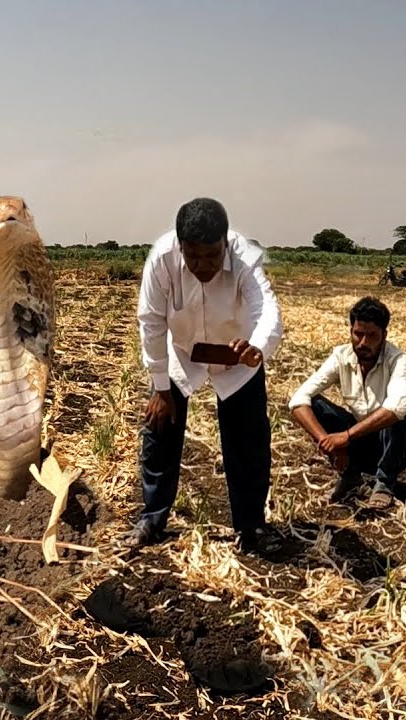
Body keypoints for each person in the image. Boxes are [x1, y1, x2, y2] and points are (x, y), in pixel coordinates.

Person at [127, 198, 284, 554]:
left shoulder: (245, 258)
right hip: (182, 351)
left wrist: (257, 347)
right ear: (180, 246)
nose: (203, 266)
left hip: (238, 358)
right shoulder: (162, 258)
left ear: (225, 243)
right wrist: (160, 388)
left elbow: (267, 308)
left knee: (249, 442)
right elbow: (150, 321)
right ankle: (152, 518)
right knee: (159, 431)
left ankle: (251, 526)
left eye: (212, 256)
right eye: (193, 256)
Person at [289, 296, 406, 510]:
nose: (363, 343)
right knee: (314, 404)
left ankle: (384, 483)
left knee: (402, 412)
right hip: (357, 444)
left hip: (390, 446)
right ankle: (350, 476)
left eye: (372, 336)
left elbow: (397, 407)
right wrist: (329, 443)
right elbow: (298, 400)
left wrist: (346, 436)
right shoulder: (341, 356)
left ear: (384, 335)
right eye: (358, 334)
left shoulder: (398, 360)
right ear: (351, 331)